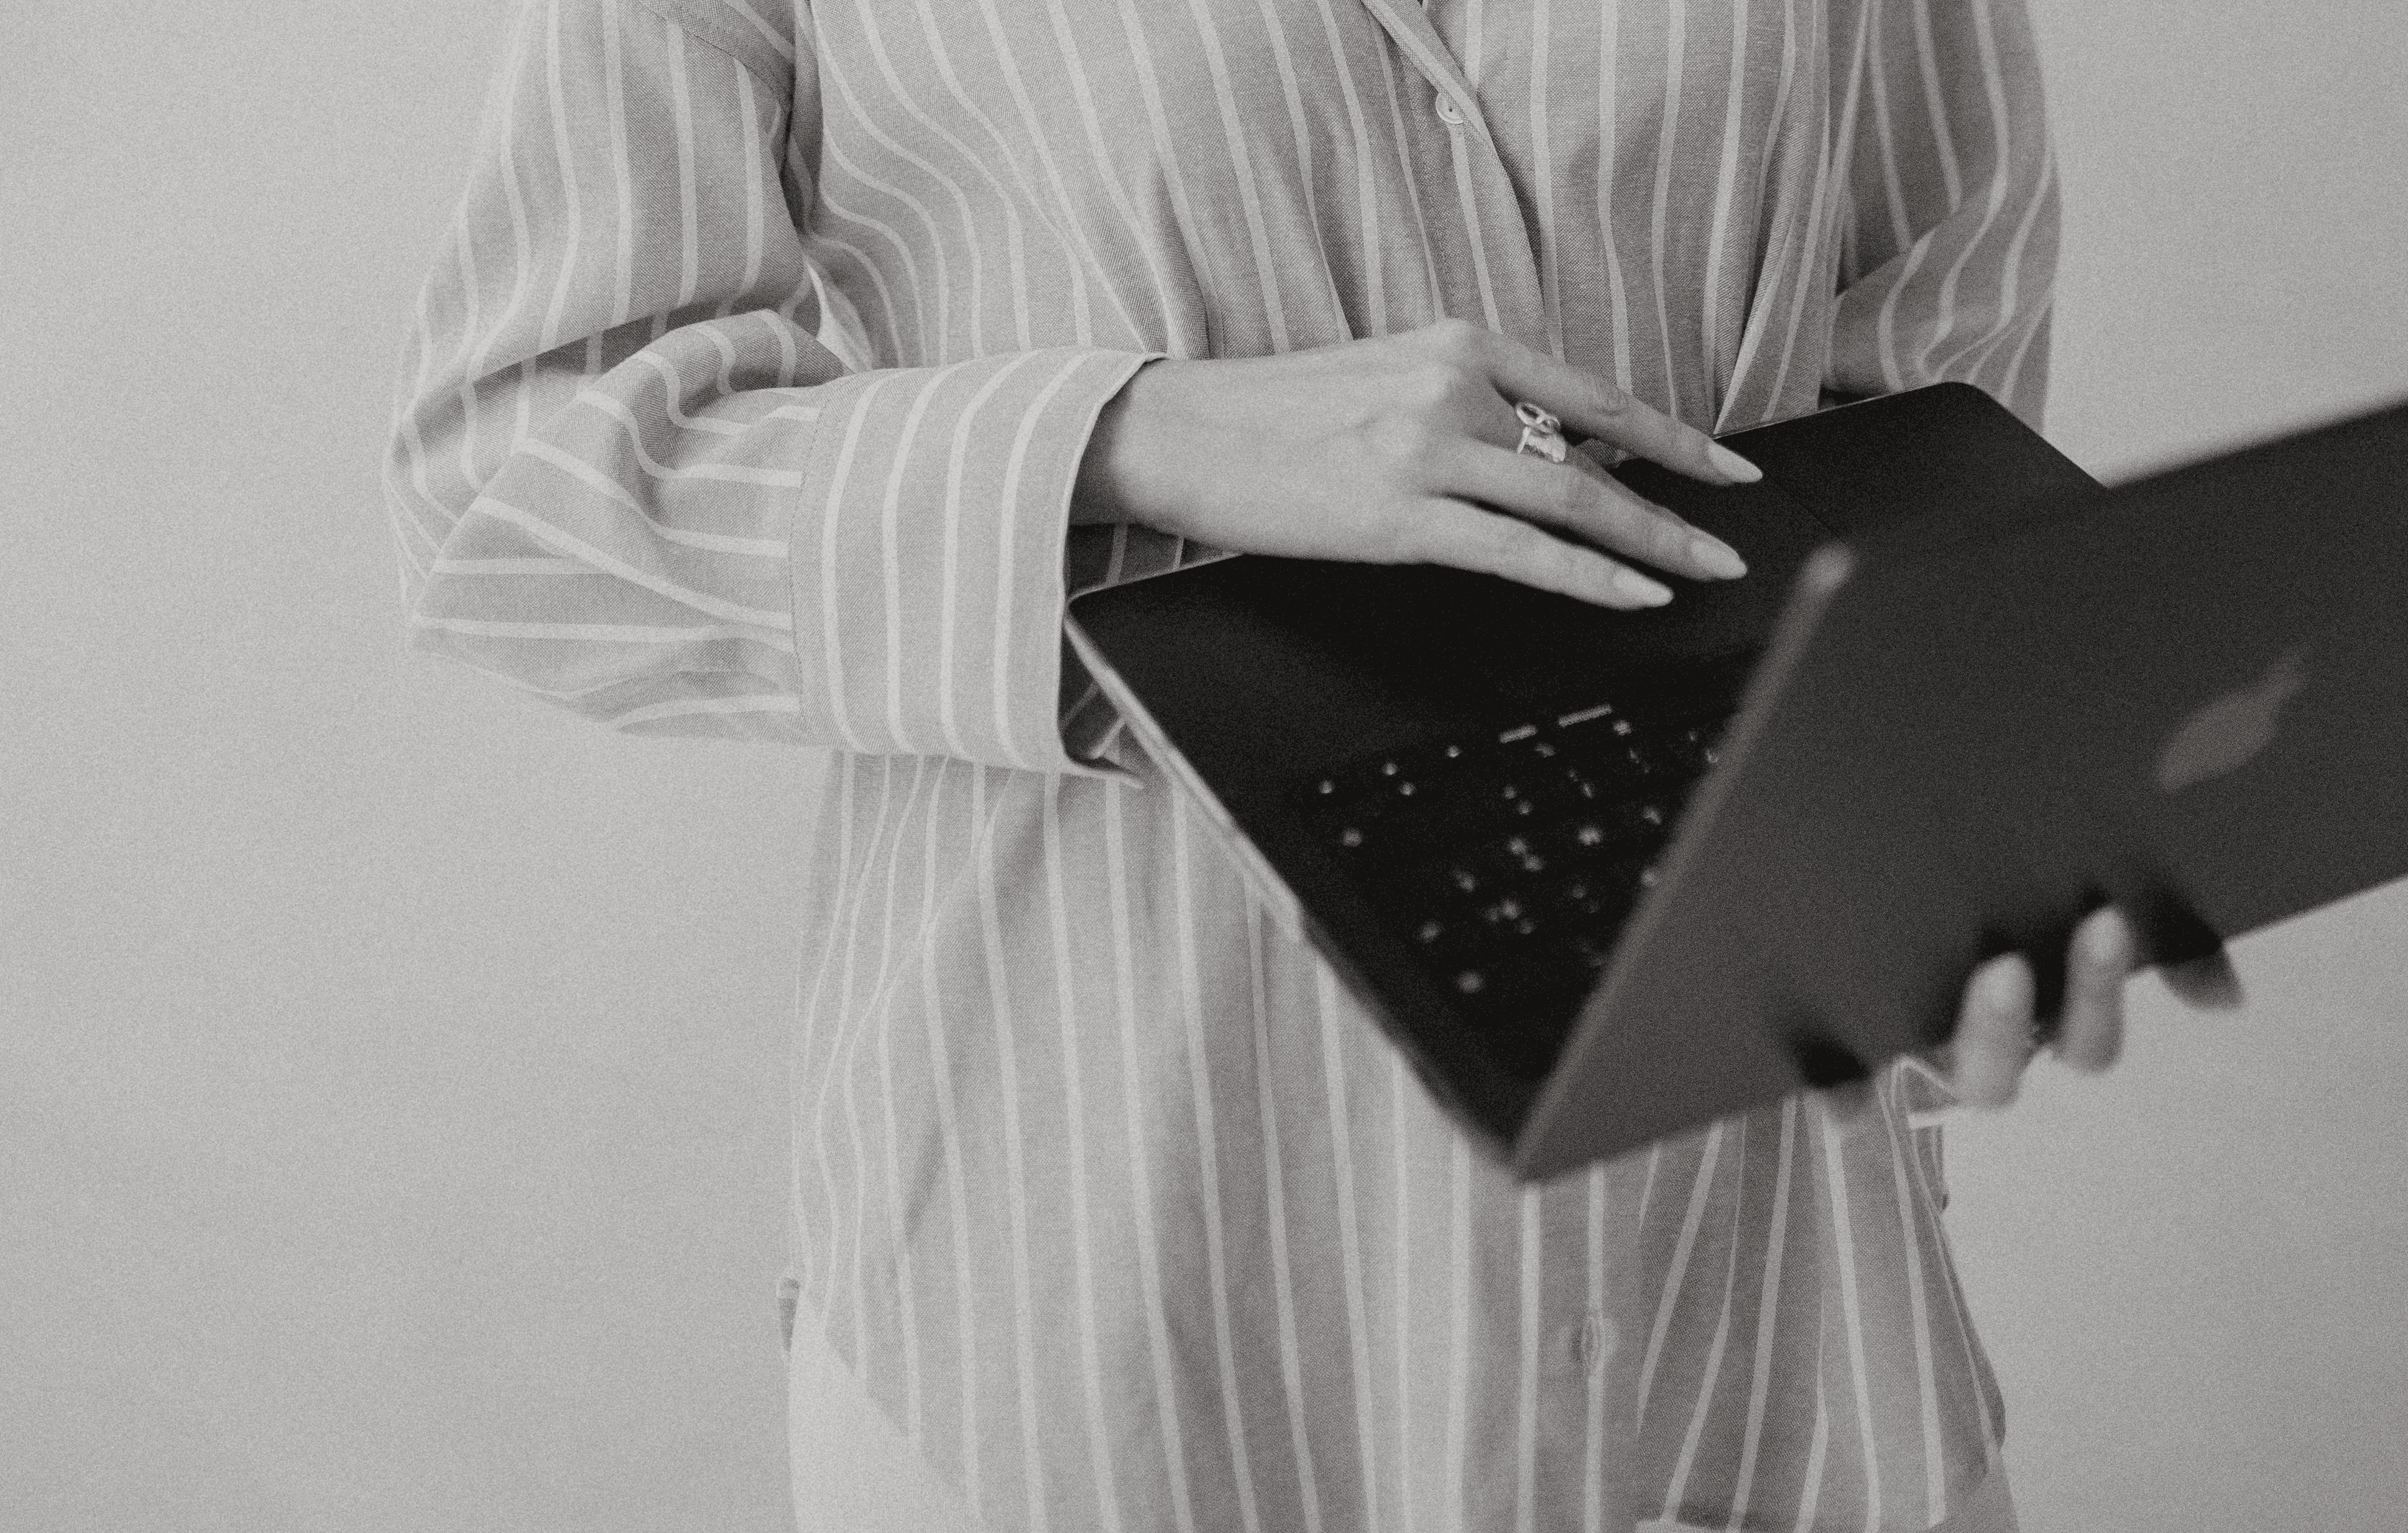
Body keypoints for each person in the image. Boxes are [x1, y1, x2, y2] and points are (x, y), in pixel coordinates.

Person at [384, 1, 2235, 1528]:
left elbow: (1928, 374)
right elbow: (509, 491)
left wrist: (1947, 862)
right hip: (1085, 1283)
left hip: (1749, 1304)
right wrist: (1130, 436)